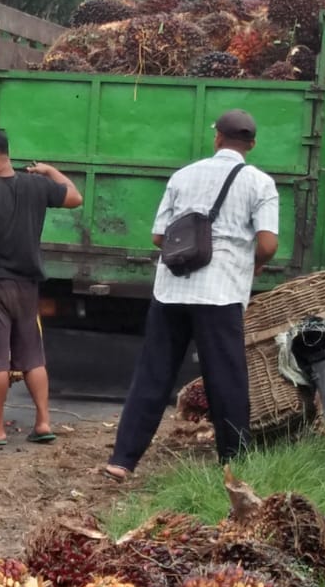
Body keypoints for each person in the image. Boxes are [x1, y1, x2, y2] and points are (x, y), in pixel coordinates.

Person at [102, 109, 279, 480]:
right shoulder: (259, 183)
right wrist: (255, 263)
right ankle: (233, 464)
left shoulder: (183, 175)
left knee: (153, 374)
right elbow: (267, 244)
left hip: (172, 289)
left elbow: (158, 236)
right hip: (220, 293)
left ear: (217, 138)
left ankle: (122, 460)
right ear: (251, 145)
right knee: (226, 380)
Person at [0, 128, 83, 445]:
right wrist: (50, 171)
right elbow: (75, 197)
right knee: (32, 356)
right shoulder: (38, 186)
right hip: (27, 285)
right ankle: (43, 423)